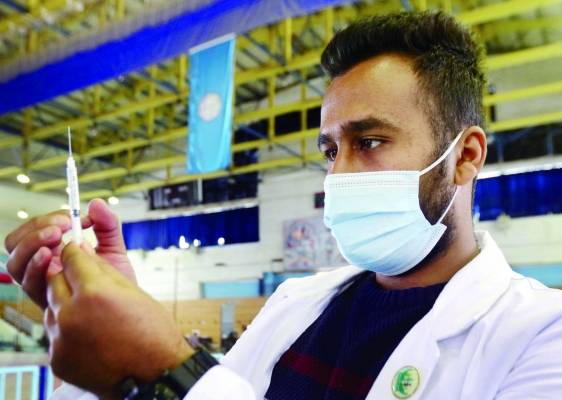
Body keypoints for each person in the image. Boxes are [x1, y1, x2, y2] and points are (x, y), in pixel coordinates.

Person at [5, 11, 562, 400]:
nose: (338, 174)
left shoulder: (540, 337)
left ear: (465, 156)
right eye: (330, 150)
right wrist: (106, 334)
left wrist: (167, 372)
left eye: (369, 142)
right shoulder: (296, 304)